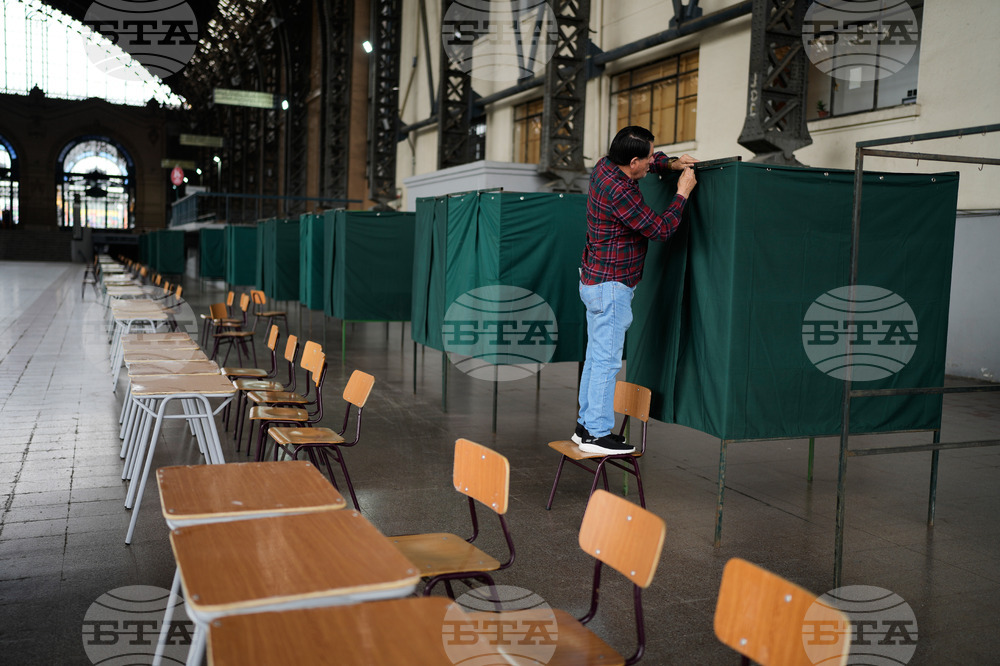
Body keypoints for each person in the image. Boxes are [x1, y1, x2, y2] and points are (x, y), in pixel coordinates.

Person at [574, 125, 698, 454]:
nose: (650, 162)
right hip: (611, 287)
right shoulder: (620, 192)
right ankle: (596, 435)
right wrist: (682, 192)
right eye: (647, 158)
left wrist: (669, 163)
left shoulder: (604, 166)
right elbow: (660, 229)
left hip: (594, 280)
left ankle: (584, 427)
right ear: (632, 162)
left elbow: (647, 162)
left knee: (595, 358)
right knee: (606, 362)